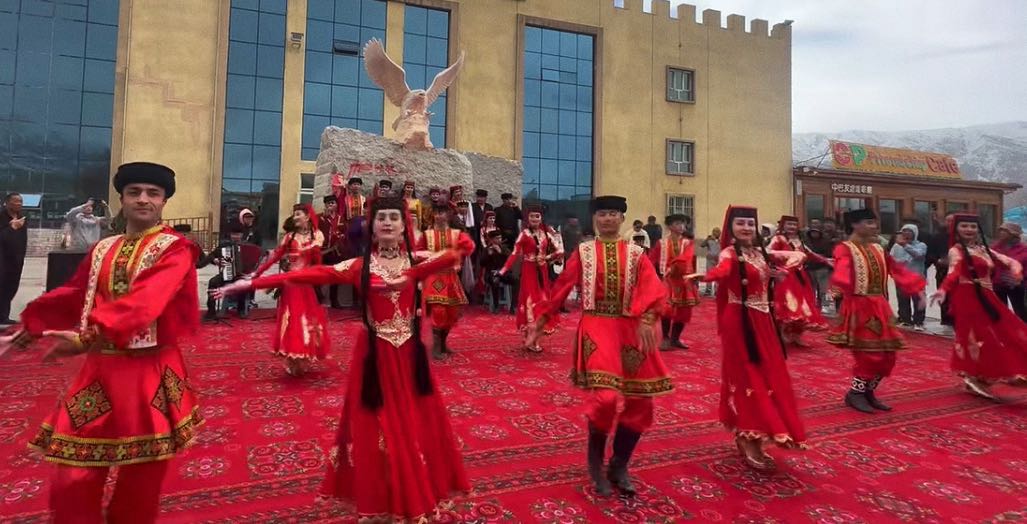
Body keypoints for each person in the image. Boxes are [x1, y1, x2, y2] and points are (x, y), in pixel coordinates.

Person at [215, 196, 470, 521]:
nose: (387, 222)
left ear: (404, 225)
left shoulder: (416, 260)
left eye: (394, 217)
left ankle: (412, 494)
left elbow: (463, 248)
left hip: (408, 355)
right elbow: (306, 275)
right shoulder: (359, 267)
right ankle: (382, 499)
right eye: (381, 218)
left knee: (413, 425)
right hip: (375, 355)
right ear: (372, 227)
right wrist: (250, 283)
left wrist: (415, 271)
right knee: (375, 429)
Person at [0, 162, 202, 523]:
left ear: (164, 201)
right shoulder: (103, 247)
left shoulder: (176, 249)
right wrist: (31, 327)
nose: (143, 199)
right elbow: (75, 294)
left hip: (148, 371)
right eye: (134, 192)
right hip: (99, 369)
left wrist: (86, 337)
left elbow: (146, 302)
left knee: (140, 478)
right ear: (121, 199)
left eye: (153, 193)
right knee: (72, 474)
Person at [525, 195, 671, 497]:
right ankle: (595, 463)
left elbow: (653, 288)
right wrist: (541, 321)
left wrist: (648, 318)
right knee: (606, 398)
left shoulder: (636, 253)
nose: (607, 219)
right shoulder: (584, 251)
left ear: (622, 218)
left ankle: (619, 464)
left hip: (631, 328)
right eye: (602, 214)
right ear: (595, 219)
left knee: (641, 401)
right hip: (597, 325)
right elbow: (562, 286)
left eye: (613, 213)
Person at [685, 205, 807, 470]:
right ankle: (748, 435)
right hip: (740, 320)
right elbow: (722, 271)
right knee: (748, 377)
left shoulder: (761, 253)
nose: (746, 228)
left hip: (764, 321)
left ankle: (759, 432)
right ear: (730, 227)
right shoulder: (730, 253)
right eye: (740, 223)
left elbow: (798, 255)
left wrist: (780, 273)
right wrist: (705, 276)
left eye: (750, 224)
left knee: (769, 375)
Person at [828, 209, 926, 414]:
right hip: (859, 306)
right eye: (869, 222)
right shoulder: (844, 248)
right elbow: (842, 272)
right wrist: (840, 284)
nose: (874, 226)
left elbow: (897, 270)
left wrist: (917, 289)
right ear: (854, 225)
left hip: (880, 306)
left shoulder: (878, 248)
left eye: (874, 222)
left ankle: (868, 391)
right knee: (869, 353)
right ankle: (855, 393)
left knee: (888, 354)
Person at [931, 214, 1027, 400]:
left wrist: (1016, 271)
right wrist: (942, 290)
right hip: (967, 297)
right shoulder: (956, 250)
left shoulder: (983, 249)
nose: (969, 229)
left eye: (973, 226)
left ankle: (1000, 372)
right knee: (978, 337)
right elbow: (953, 272)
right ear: (956, 229)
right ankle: (974, 375)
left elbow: (1010, 261)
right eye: (964, 226)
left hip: (987, 296)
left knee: (1009, 329)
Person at [248, 204, 329, 377]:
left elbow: (317, 260)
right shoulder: (289, 237)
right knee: (292, 318)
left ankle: (304, 355)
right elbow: (274, 257)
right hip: (291, 285)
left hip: (307, 284)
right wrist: (257, 272)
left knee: (306, 319)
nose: (295, 217)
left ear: (307, 216)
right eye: (294, 214)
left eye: (298, 214)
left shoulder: (317, 235)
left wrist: (319, 278)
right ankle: (292, 356)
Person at [498, 204, 562, 352]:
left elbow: (560, 250)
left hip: (542, 273)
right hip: (529, 272)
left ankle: (536, 339)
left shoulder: (546, 234)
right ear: (527, 218)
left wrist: (546, 257)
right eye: (532, 216)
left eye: (537, 216)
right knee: (529, 303)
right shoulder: (524, 234)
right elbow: (514, 253)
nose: (534, 219)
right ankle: (528, 335)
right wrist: (503, 270)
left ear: (541, 218)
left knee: (543, 302)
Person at [418, 203, 475, 359]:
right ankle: (435, 347)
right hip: (433, 277)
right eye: (436, 213)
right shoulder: (427, 234)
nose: (439, 216)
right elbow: (417, 253)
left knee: (452, 311)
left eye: (442, 212)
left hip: (450, 277)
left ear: (448, 215)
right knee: (438, 309)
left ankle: (443, 343)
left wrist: (457, 258)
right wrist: (429, 259)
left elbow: (469, 247)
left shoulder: (457, 234)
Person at [768, 215, 829, 347]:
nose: (792, 227)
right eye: (789, 224)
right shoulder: (778, 239)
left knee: (803, 306)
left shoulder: (799, 240)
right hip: (784, 277)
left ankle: (797, 335)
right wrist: (784, 257)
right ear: (783, 225)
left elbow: (810, 254)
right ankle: (782, 334)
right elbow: (768, 252)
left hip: (800, 277)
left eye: (794, 225)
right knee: (788, 305)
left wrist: (826, 260)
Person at [649, 214, 698, 351]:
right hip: (667, 280)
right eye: (677, 224)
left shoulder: (688, 243)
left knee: (684, 311)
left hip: (684, 280)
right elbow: (652, 260)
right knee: (666, 309)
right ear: (670, 226)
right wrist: (651, 275)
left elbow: (687, 258)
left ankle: (675, 338)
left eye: (683, 224)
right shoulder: (661, 243)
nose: (681, 226)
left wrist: (692, 275)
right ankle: (665, 338)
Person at [198, 225, 249, 320]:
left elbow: (257, 258)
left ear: (242, 235)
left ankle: (241, 309)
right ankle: (211, 311)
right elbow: (212, 255)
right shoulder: (224, 246)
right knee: (212, 282)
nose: (235, 237)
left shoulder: (247, 247)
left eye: (238, 234)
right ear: (230, 235)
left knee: (244, 283)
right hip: (227, 274)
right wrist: (215, 260)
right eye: (234, 234)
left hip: (242, 275)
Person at [889, 224, 928, 330]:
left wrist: (905, 245)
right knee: (902, 300)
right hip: (901, 278)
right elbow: (891, 259)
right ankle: (905, 320)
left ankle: (918, 322)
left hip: (916, 278)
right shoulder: (896, 246)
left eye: (909, 231)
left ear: (915, 233)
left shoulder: (921, 245)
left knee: (918, 300)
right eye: (904, 231)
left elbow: (918, 255)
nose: (906, 233)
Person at [991, 222, 1027, 322]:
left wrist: (1020, 280)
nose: (1001, 233)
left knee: (1019, 311)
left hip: (1016, 286)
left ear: (1013, 234)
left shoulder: (1023, 250)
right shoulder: (995, 247)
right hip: (997, 285)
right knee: (1000, 311)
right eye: (1000, 230)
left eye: (1004, 231)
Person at [0, 193, 27, 325]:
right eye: (15, 201)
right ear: (7, 203)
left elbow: (23, 239)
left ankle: (3, 316)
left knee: (11, 287)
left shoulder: (22, 218)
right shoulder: (1, 217)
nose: (19, 204)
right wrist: (11, 228)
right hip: (2, 259)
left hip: (16, 259)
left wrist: (22, 256)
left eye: (20, 201)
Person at [319, 195, 347, 308]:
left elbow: (345, 232)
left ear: (336, 205)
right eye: (328, 203)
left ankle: (334, 299)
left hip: (336, 252)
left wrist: (341, 237)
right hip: (323, 251)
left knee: (336, 275)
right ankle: (320, 299)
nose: (331, 205)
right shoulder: (320, 218)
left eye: (333, 203)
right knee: (321, 275)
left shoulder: (341, 218)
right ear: (325, 205)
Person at [480, 230, 512, 313]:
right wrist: (488, 255)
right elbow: (482, 263)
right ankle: (496, 305)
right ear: (491, 240)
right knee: (495, 281)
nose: (499, 240)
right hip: (491, 273)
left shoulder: (503, 248)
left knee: (515, 279)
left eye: (500, 238)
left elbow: (511, 259)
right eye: (497, 238)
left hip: (503, 273)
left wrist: (500, 252)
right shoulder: (487, 249)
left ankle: (513, 306)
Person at [804, 226, 835, 311]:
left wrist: (819, 257)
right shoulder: (806, 242)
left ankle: (827, 308)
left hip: (822, 268)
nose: (814, 234)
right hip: (809, 268)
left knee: (824, 289)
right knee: (811, 289)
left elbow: (830, 254)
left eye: (816, 232)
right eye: (812, 232)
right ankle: (812, 307)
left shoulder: (825, 241)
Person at [700, 227, 721, 297]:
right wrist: (707, 239)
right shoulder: (709, 240)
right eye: (715, 232)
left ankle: (717, 291)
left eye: (718, 232)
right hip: (710, 260)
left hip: (719, 261)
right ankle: (708, 290)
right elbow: (702, 245)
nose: (717, 233)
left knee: (718, 276)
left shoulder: (721, 241)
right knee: (709, 275)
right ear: (713, 232)